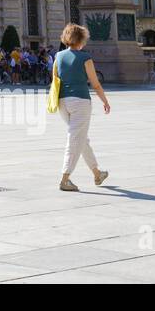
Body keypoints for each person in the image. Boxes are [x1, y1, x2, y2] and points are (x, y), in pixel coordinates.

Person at [53, 23, 111, 192]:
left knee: (81, 139)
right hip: (80, 102)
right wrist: (105, 101)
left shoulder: (58, 56)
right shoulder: (85, 58)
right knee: (75, 139)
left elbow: (55, 80)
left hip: (62, 102)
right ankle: (65, 178)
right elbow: (95, 84)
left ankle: (97, 173)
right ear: (81, 39)